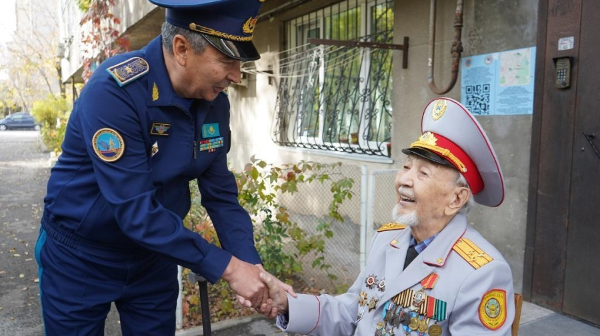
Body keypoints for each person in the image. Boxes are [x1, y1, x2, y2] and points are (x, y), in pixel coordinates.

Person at [34, 0, 293, 335]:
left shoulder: (214, 101)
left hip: (152, 257)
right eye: (227, 60)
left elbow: (221, 196)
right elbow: (135, 211)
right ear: (182, 49)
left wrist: (252, 269)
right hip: (80, 258)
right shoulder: (115, 92)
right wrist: (228, 268)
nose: (236, 75)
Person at [260, 97, 516, 335]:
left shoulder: (483, 272)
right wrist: (288, 305)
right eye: (405, 167)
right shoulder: (388, 238)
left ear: (456, 199)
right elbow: (354, 311)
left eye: (423, 173)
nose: (403, 180)